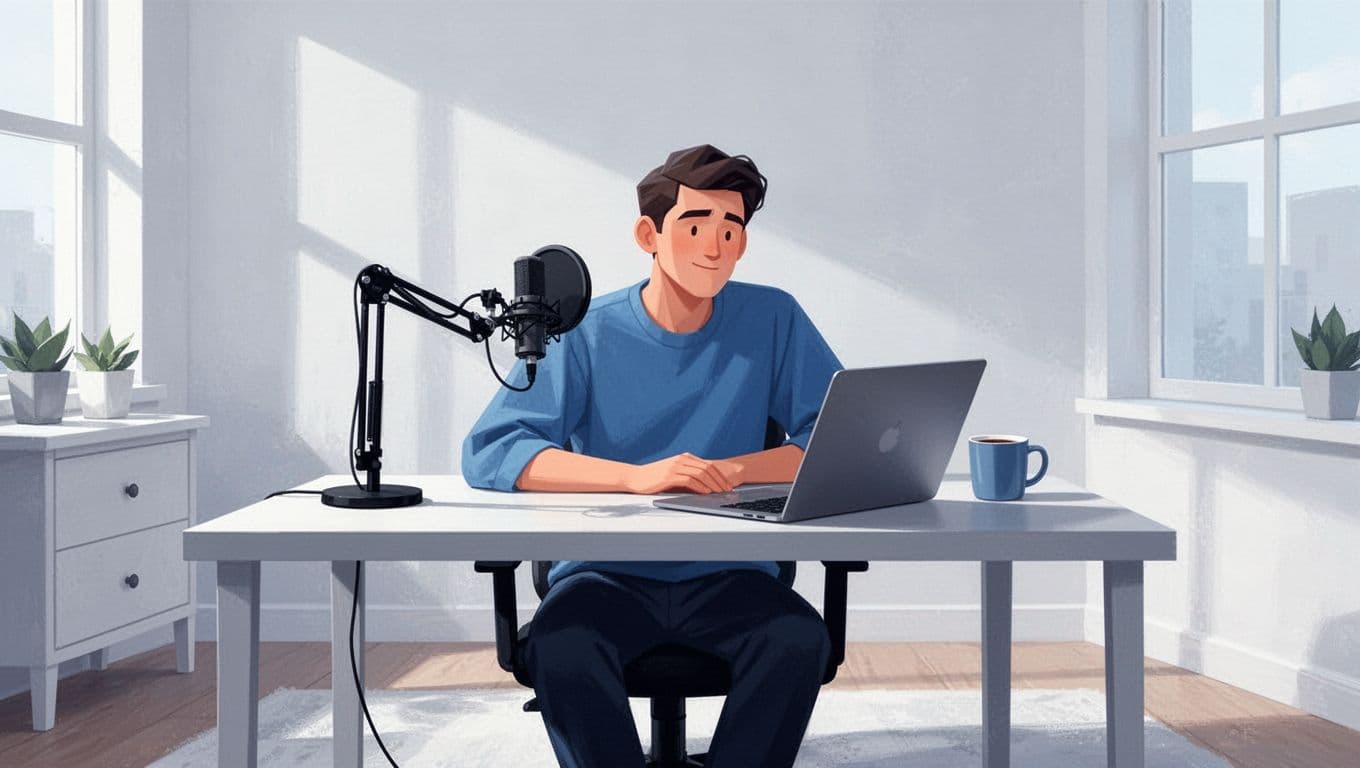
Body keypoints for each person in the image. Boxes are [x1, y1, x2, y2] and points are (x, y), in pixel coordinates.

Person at [461, 144, 843, 768]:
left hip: (733, 573)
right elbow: (494, 449)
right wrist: (637, 479)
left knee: (797, 639)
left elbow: (833, 439)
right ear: (649, 234)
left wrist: (734, 471)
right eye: (695, 226)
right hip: (605, 576)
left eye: (731, 229)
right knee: (562, 644)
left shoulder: (772, 316)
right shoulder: (584, 329)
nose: (715, 247)